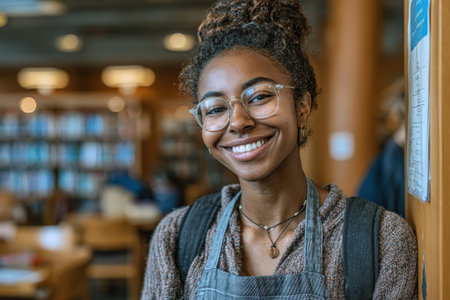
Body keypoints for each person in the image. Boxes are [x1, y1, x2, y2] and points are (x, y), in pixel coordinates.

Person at [141, 0, 417, 299]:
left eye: (259, 96)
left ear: (302, 105)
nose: (238, 122)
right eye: (216, 108)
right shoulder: (177, 236)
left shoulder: (381, 240)